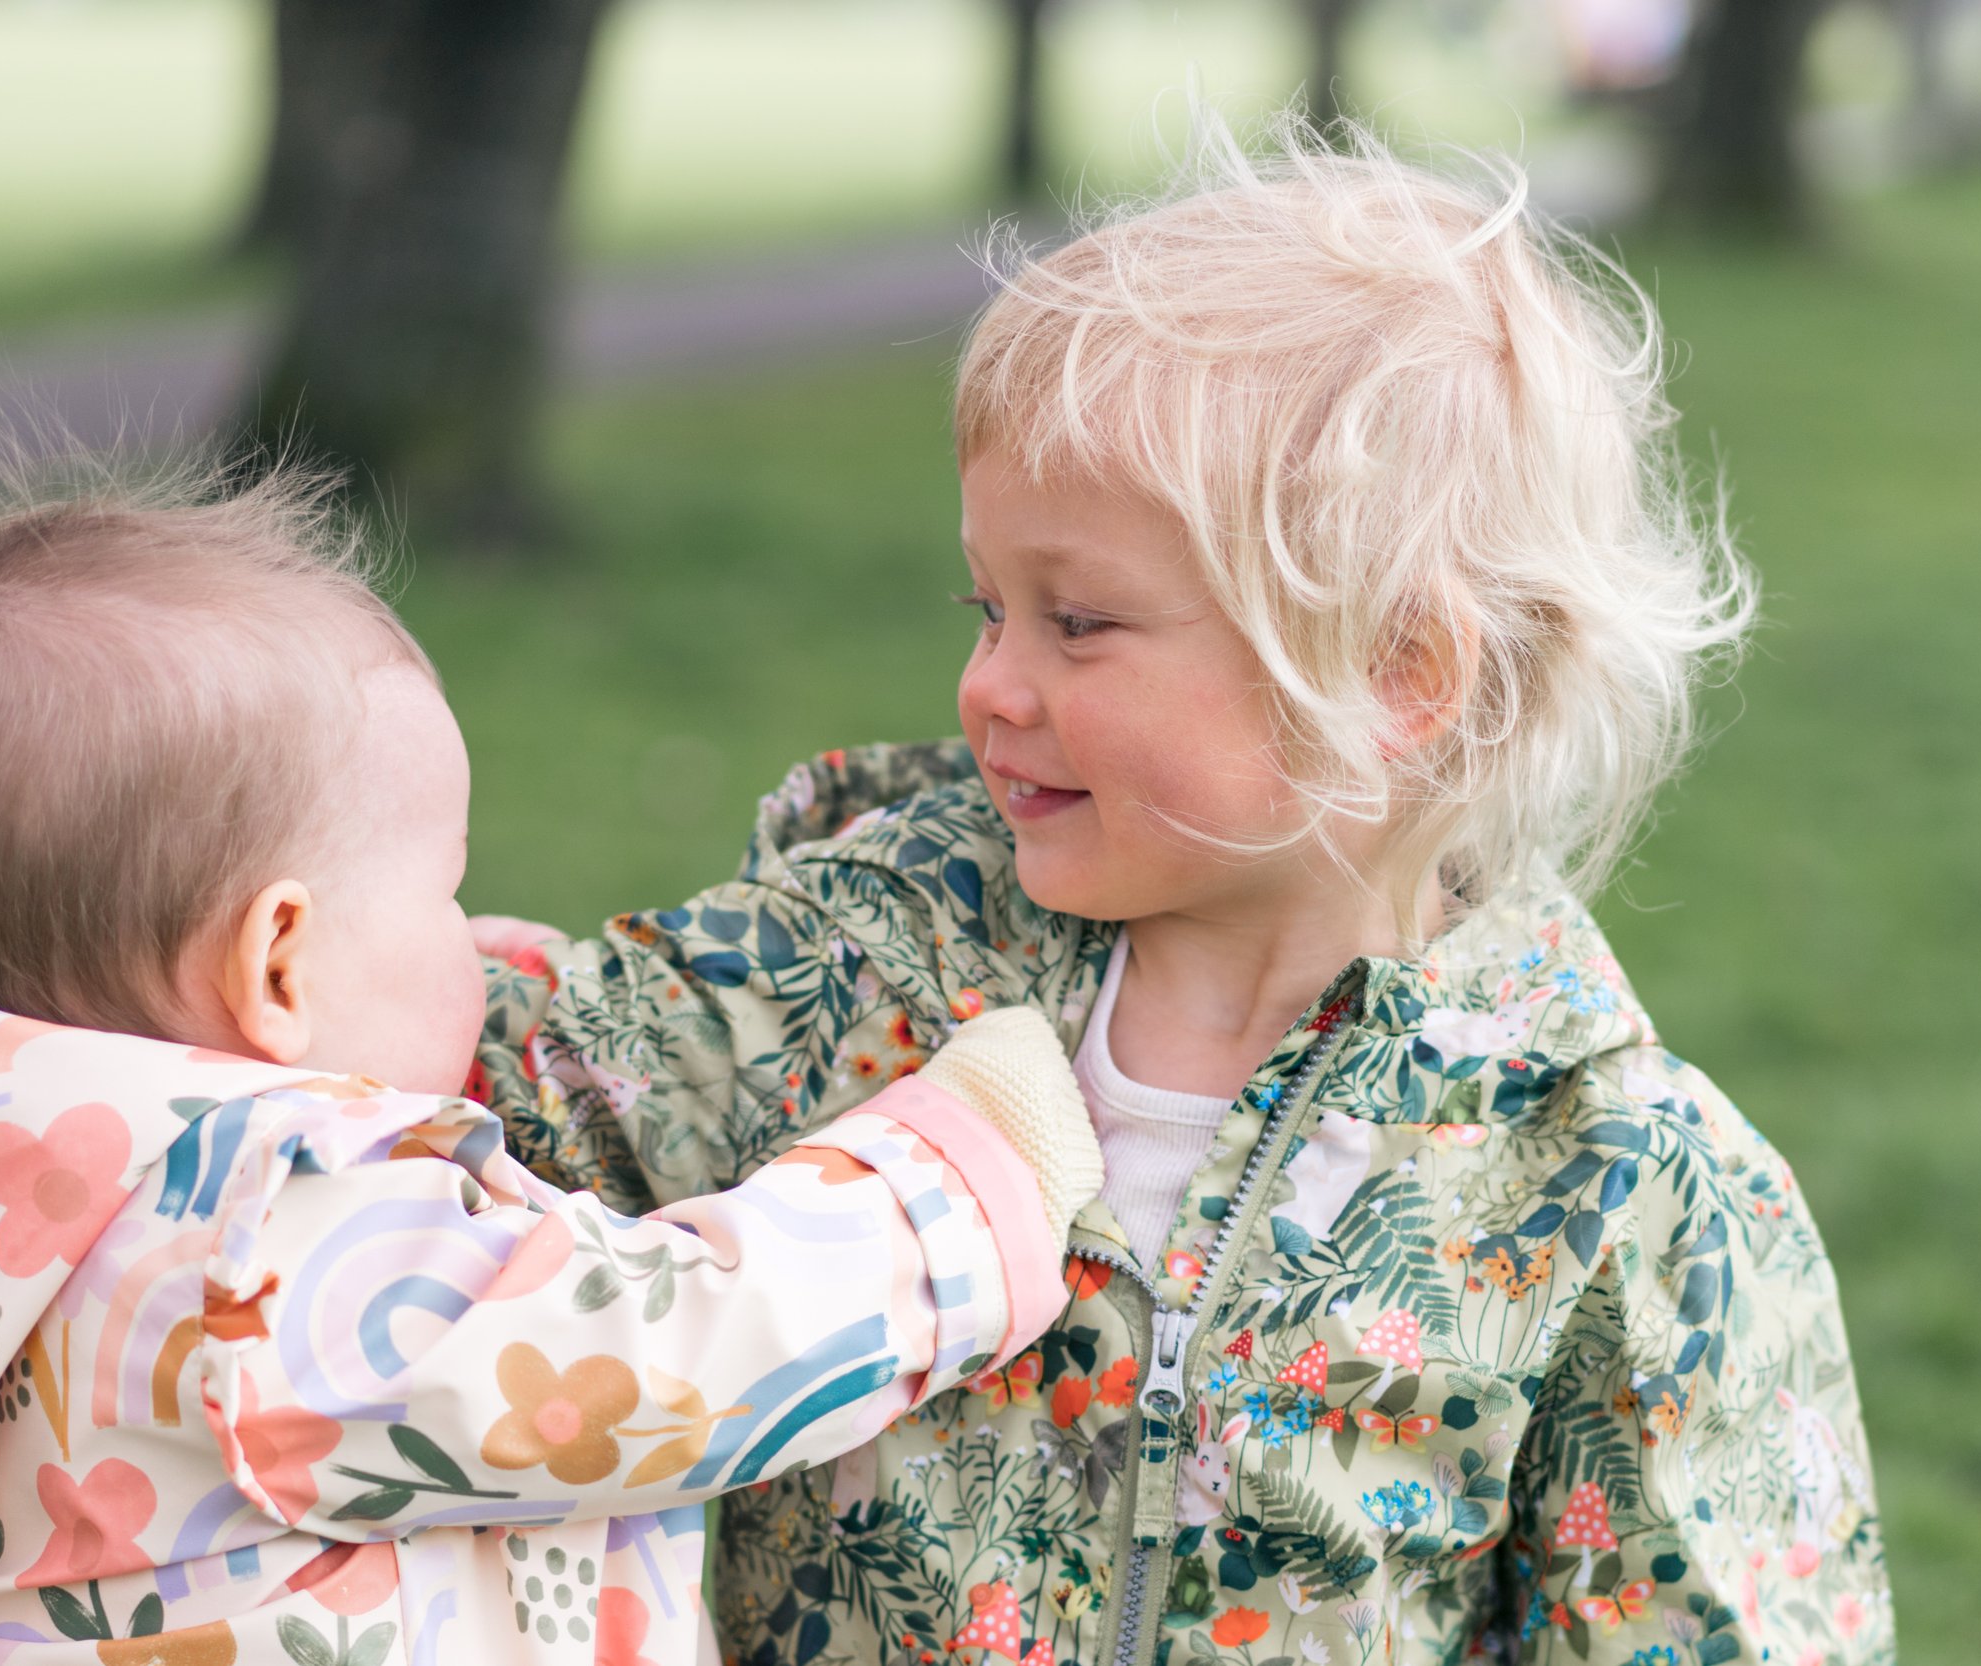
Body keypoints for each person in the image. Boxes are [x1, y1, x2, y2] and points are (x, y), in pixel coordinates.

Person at [472, 116, 1892, 1665]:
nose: (989, 686)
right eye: (986, 605)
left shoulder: (1608, 1184)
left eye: (1077, 623)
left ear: (1395, 677)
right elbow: (454, 1083)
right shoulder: (864, 960)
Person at [0, 452, 1105, 1666]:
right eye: (444, 895)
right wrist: (946, 1187)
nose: (474, 944)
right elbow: (650, 1356)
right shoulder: (273, 1251)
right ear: (276, 968)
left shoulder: (25, 1209)